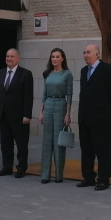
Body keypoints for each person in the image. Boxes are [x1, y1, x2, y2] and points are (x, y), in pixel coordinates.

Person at [77, 44, 111, 190]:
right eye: (84, 52)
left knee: (103, 150)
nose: (85, 55)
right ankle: (88, 177)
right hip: (85, 118)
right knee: (86, 150)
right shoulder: (83, 71)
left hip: (100, 118)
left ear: (97, 54)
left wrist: (104, 112)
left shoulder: (106, 70)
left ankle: (103, 179)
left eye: (88, 52)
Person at [0, 48, 33, 178]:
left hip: (19, 116)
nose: (9, 59)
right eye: (7, 56)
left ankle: (21, 168)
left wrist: (27, 115)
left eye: (12, 56)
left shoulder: (25, 74)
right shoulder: (0, 73)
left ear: (18, 59)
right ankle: (7, 167)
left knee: (21, 144)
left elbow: (28, 96)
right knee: (5, 143)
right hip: (3, 115)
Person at [37, 48, 73, 183]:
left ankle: (59, 175)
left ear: (62, 58)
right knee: (47, 141)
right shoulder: (48, 73)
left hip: (60, 104)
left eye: (58, 57)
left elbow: (69, 95)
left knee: (58, 141)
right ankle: (45, 175)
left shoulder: (67, 74)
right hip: (48, 104)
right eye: (53, 57)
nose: (55, 59)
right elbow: (44, 94)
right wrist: (41, 112)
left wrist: (68, 114)